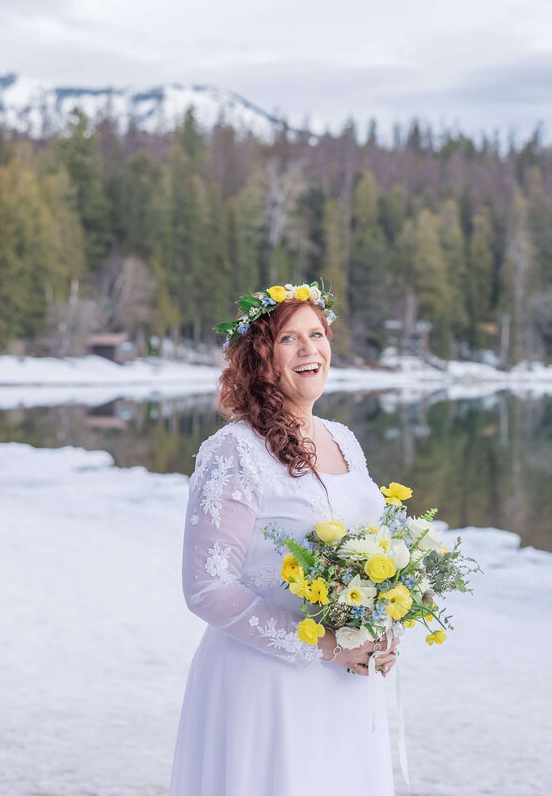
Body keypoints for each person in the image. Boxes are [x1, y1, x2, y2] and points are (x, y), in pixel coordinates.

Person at [170, 282, 398, 795]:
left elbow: (365, 556)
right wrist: (322, 645)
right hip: (265, 684)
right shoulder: (234, 451)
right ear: (261, 358)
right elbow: (206, 587)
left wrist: (381, 624)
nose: (309, 349)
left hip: (348, 684)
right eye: (289, 339)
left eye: (317, 334)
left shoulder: (344, 440)